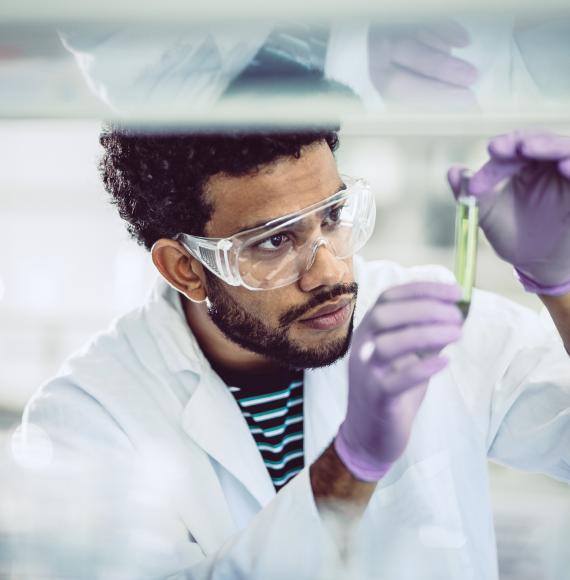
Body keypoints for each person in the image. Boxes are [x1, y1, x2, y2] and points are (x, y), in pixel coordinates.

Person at [21, 128, 570, 579]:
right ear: (186, 269)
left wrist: (560, 283)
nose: (329, 271)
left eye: (331, 217)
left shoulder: (425, 316)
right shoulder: (87, 418)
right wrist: (352, 461)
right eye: (273, 241)